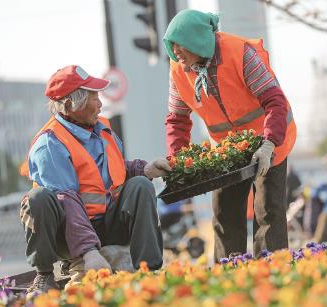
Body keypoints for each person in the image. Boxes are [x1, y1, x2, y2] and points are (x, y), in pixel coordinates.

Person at [19, 65, 171, 299]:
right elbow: (67, 201)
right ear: (71, 105)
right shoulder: (49, 144)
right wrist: (89, 253)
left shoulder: (103, 128)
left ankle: (148, 269)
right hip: (69, 236)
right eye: (93, 97)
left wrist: (145, 169)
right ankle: (44, 274)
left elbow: (114, 171)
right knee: (37, 199)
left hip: (106, 223)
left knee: (141, 184)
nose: (100, 103)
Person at [162, 10, 297, 260]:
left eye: (180, 45)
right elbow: (177, 120)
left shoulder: (242, 54)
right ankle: (230, 273)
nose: (176, 52)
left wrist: (268, 145)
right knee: (224, 211)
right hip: (229, 147)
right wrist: (179, 161)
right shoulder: (179, 70)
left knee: (267, 210)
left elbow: (274, 102)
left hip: (270, 138)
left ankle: (271, 271)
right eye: (171, 46)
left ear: (197, 40)